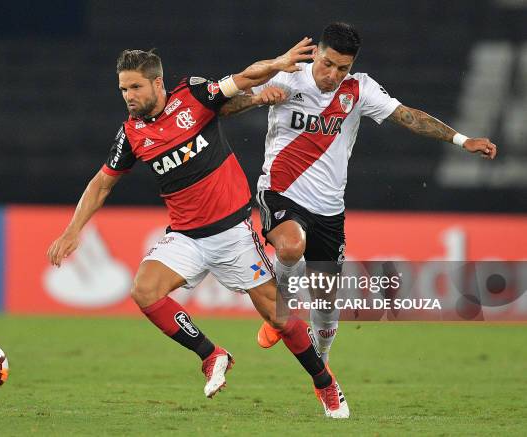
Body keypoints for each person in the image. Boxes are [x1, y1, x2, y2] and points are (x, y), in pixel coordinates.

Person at [47, 39, 350, 419]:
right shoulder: (132, 134)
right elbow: (102, 183)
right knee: (144, 291)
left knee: (280, 319)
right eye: (123, 89)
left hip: (233, 236)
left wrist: (277, 63)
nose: (129, 95)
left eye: (135, 87)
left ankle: (325, 384)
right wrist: (73, 230)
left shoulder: (192, 95)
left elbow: (242, 79)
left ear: (157, 84)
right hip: (186, 237)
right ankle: (212, 355)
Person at [221, 22, 498, 419]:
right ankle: (277, 309)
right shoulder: (285, 73)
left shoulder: (360, 89)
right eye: (329, 64)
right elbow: (225, 105)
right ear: (315, 53)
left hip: (330, 209)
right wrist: (259, 98)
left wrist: (461, 139)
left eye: (343, 69)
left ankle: (322, 359)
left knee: (327, 306)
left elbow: (408, 116)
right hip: (280, 193)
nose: (334, 75)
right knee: (289, 245)